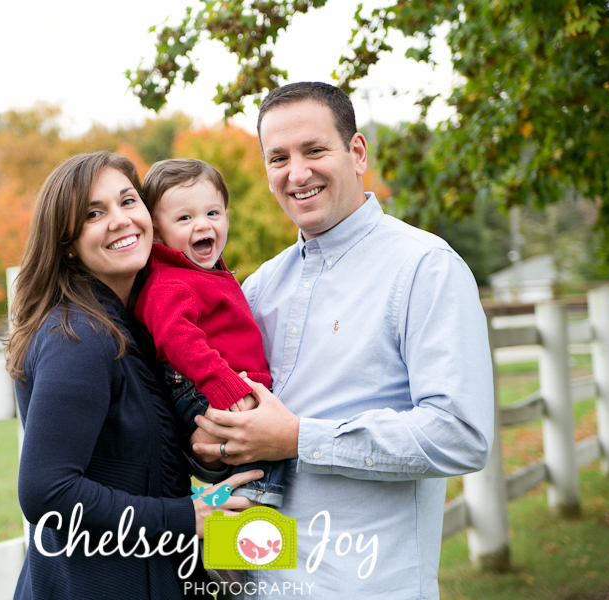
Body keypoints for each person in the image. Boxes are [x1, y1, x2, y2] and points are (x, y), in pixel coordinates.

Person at [192, 82, 495, 598]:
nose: (297, 173)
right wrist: (214, 454)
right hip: (260, 582)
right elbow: (257, 453)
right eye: (278, 158)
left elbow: (460, 434)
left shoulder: (424, 267)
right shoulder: (258, 288)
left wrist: (298, 439)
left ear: (356, 153)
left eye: (314, 150)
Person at [5, 151, 259, 600]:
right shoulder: (79, 335)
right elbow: (45, 491)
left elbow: (143, 472)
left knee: (278, 566)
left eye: (128, 201)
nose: (120, 220)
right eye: (93, 213)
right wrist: (188, 517)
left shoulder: (132, 325)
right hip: (96, 586)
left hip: (153, 572)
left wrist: (211, 459)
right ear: (66, 241)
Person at [134, 159, 288, 508]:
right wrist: (221, 384)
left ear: (227, 218)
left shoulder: (202, 272)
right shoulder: (168, 282)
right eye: (185, 218)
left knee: (263, 463)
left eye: (213, 213)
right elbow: (177, 339)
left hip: (225, 382)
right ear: (157, 232)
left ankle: (238, 534)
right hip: (207, 386)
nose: (202, 224)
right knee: (260, 475)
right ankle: (234, 538)